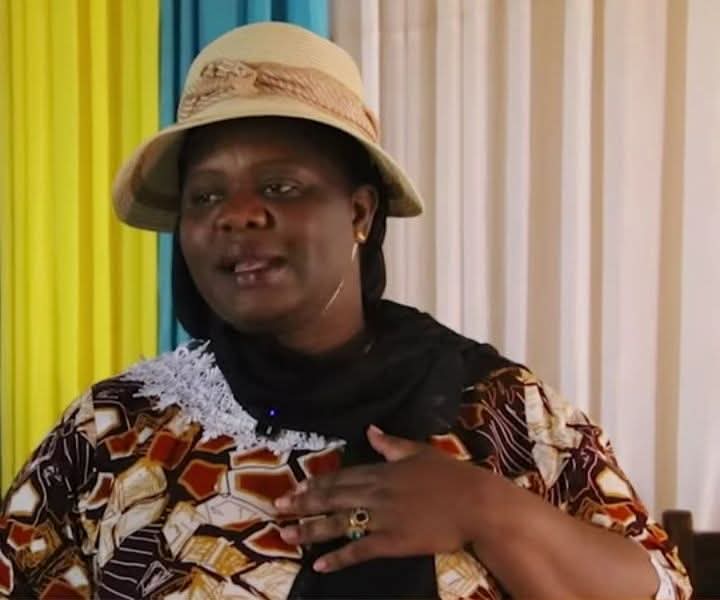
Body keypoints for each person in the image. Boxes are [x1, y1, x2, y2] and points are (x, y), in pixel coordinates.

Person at [0, 22, 691, 600]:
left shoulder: (501, 411)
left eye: (280, 186)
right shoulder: (115, 433)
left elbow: (661, 588)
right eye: (205, 196)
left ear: (360, 213)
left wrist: (485, 510)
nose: (237, 215)